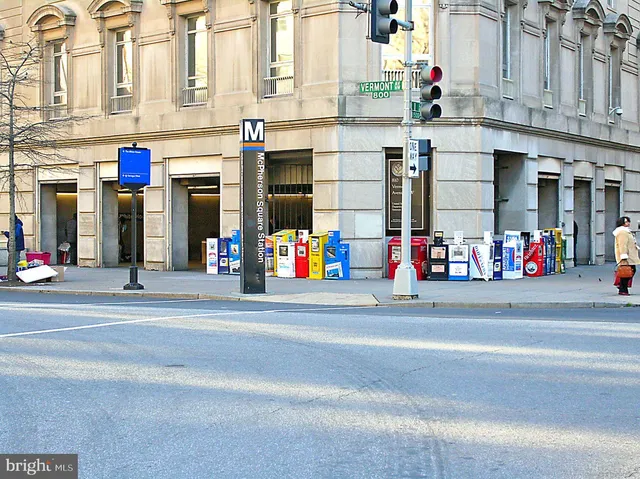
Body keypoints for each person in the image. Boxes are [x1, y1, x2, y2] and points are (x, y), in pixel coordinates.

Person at [613, 216, 640, 296]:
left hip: (630, 255)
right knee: (626, 272)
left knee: (629, 271)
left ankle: (622, 287)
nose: (628, 223)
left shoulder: (626, 231)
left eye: (628, 221)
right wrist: (623, 256)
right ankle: (623, 288)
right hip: (627, 256)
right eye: (626, 222)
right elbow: (622, 244)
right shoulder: (622, 232)